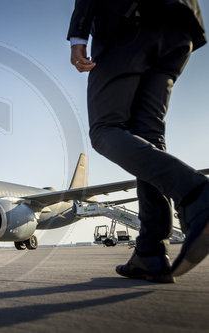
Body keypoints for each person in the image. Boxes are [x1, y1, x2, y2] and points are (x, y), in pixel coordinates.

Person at [68, 0, 209, 282]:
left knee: (104, 129)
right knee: (149, 136)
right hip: (182, 30)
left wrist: (78, 35)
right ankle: (150, 252)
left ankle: (196, 195)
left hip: (130, 20)